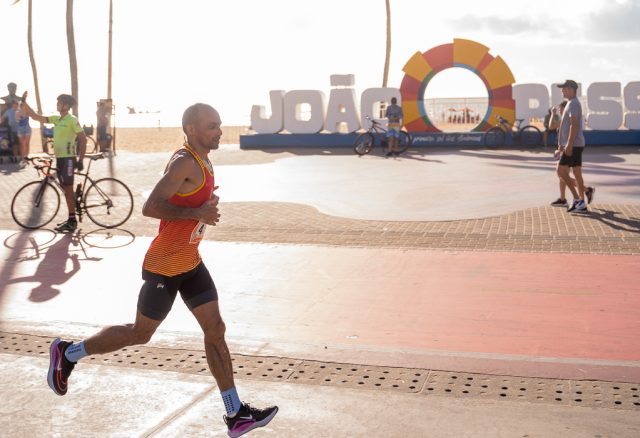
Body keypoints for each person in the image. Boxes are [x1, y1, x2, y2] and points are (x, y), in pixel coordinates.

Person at [46, 103, 278, 438]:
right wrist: (198, 211)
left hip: (190, 261)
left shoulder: (200, 159)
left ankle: (234, 413)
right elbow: (150, 207)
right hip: (165, 267)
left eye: (220, 125)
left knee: (215, 329)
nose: (219, 131)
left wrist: (199, 207)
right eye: (212, 126)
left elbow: (183, 202)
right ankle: (68, 353)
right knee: (140, 334)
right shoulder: (185, 161)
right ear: (191, 129)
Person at [21, 92, 87, 231]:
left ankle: (72, 221)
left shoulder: (72, 119)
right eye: (57, 102)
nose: (57, 104)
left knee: (68, 191)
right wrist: (24, 102)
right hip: (60, 159)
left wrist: (80, 160)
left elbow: (83, 138)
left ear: (67, 105)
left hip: (69, 159)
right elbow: (35, 117)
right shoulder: (57, 119)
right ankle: (73, 209)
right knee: (67, 190)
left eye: (60, 102)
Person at [554, 80, 594, 212]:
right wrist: (562, 145)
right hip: (576, 144)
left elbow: (574, 124)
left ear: (571, 89)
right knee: (576, 173)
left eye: (564, 88)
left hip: (574, 144)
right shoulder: (572, 103)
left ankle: (578, 200)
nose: (562, 91)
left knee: (560, 171)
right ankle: (582, 200)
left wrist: (569, 144)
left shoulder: (574, 104)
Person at [15, 98, 33, 163]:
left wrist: (26, 111)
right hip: (20, 128)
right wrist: (20, 115)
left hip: (27, 128)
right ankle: (22, 158)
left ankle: (26, 157)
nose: (22, 106)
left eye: (23, 105)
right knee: (22, 144)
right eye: (21, 104)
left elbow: (32, 113)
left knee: (27, 144)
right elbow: (17, 120)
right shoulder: (17, 112)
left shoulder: (27, 111)